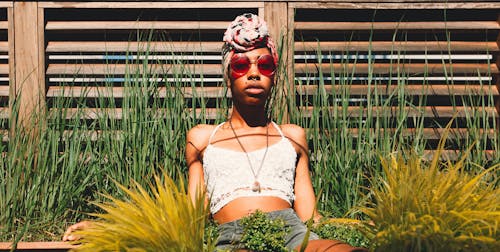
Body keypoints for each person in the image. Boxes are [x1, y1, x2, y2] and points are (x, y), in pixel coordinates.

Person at [64, 13, 367, 252]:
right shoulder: (202, 138)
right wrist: (115, 229)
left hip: (292, 231)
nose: (253, 73)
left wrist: (355, 230)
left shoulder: (293, 137)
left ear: (274, 75)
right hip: (231, 236)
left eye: (264, 64)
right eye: (240, 65)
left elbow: (310, 218)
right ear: (227, 75)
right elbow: (192, 216)